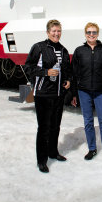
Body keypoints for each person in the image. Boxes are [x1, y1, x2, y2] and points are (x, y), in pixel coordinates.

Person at [25, 19, 71, 173]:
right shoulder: (39, 47)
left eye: (59, 31)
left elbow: (67, 69)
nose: (56, 34)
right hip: (43, 94)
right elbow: (28, 67)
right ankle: (41, 160)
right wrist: (46, 72)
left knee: (55, 126)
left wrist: (68, 81)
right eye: (54, 31)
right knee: (44, 128)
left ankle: (53, 152)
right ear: (48, 32)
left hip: (58, 94)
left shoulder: (63, 50)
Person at [71, 22, 102, 164]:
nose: (91, 35)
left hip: (101, 91)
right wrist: (74, 94)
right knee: (88, 121)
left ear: (98, 34)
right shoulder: (79, 51)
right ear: (85, 34)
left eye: (94, 32)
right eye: (88, 32)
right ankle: (92, 149)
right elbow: (73, 74)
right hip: (83, 91)